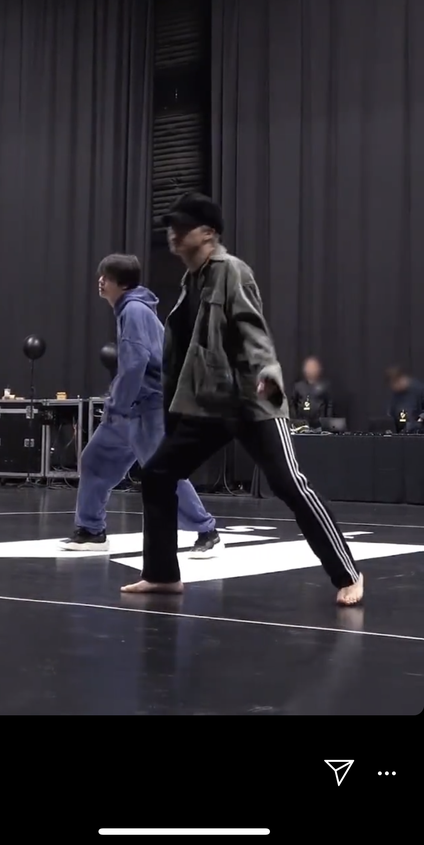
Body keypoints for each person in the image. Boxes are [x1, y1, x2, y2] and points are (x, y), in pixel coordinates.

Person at [121, 193, 363, 605]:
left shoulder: (231, 272)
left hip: (251, 401)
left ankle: (349, 574)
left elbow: (254, 331)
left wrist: (267, 375)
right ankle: (161, 574)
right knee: (158, 474)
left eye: (183, 226)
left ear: (208, 233)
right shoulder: (191, 282)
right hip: (209, 406)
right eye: (172, 226)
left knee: (289, 485)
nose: (173, 233)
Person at [62, 253, 220, 556]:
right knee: (95, 461)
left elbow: (136, 363)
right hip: (130, 408)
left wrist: (118, 403)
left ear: (121, 284)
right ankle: (91, 531)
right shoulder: (130, 308)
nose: (100, 281)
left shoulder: (134, 310)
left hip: (147, 406)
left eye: (107, 277)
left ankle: (207, 531)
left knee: (162, 471)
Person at [291, 356, 333, 427]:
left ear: (318, 369)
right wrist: (295, 420)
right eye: (309, 367)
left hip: (319, 425)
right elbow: (292, 404)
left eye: (313, 367)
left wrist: (327, 422)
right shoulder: (298, 386)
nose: (311, 370)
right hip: (301, 424)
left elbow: (329, 405)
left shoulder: (324, 387)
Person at [385, 365, 424, 434]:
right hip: (403, 433)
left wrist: (419, 420)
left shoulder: (419, 391)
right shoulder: (396, 397)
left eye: (395, 382)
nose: (394, 387)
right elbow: (393, 415)